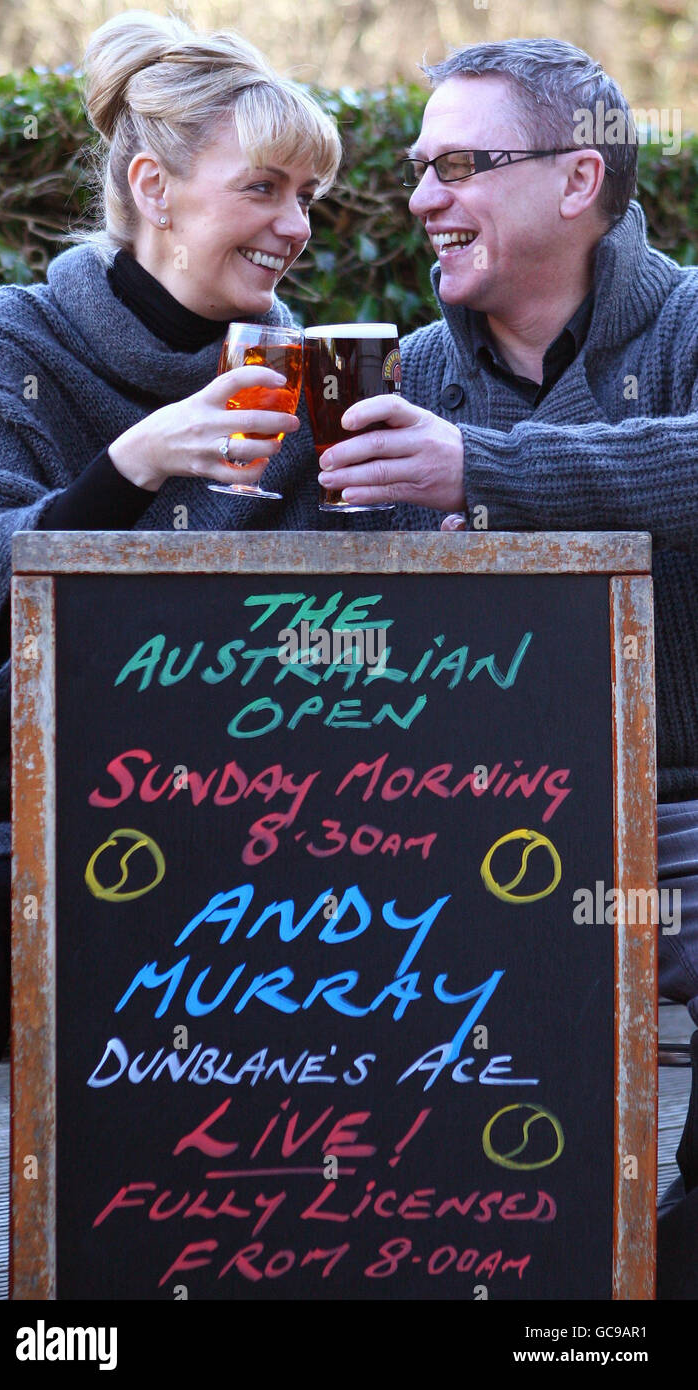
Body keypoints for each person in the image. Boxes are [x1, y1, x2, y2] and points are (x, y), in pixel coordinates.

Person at [0, 10, 440, 1133]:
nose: (296, 228)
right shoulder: (12, 343)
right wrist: (130, 466)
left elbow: (363, 639)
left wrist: (411, 527)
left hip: (252, 808)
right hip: (13, 805)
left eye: (309, 199)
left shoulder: (323, 373)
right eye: (265, 189)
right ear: (153, 183)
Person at [317, 36, 698, 1280]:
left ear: (579, 180)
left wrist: (483, 474)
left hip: (689, 818)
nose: (424, 198)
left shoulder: (690, 322)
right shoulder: (413, 369)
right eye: (422, 168)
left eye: (462, 165)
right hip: (467, 823)